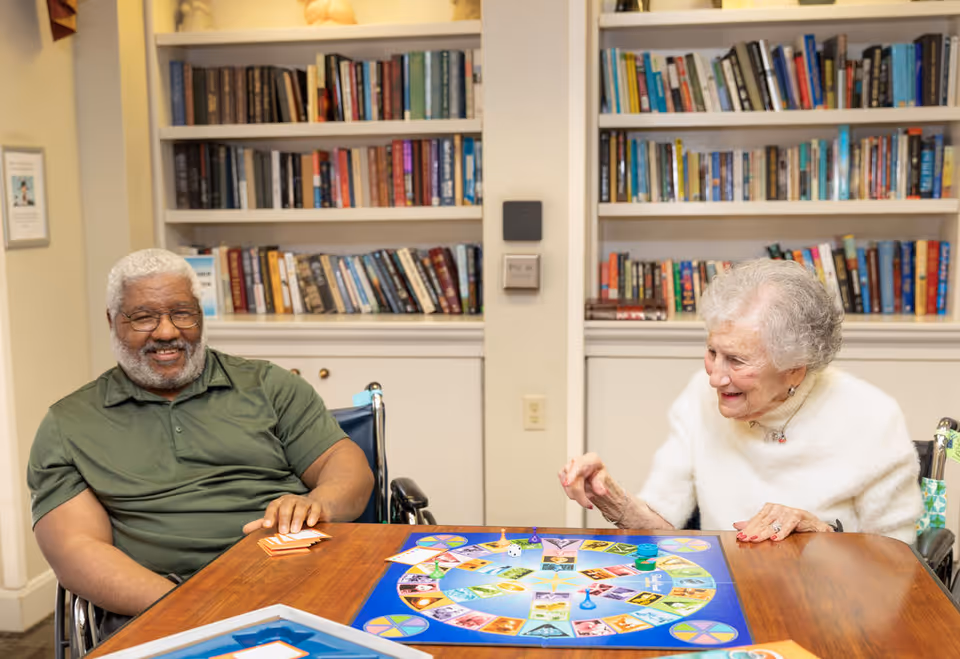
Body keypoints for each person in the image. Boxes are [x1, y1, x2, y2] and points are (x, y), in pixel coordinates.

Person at [27, 248, 374, 620]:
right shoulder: (68, 424)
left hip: (299, 581)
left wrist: (321, 502)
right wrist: (195, 607)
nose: (166, 332)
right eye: (143, 317)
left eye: (182, 313)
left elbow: (349, 470)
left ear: (200, 313)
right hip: (164, 606)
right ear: (112, 321)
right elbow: (77, 550)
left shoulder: (269, 385)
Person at [560, 258, 923, 545]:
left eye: (736, 361)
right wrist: (611, 498)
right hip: (729, 598)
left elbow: (898, 565)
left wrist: (822, 536)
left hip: (833, 612)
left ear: (794, 370)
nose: (715, 377)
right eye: (712, 352)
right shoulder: (699, 399)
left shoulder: (872, 418)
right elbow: (663, 528)